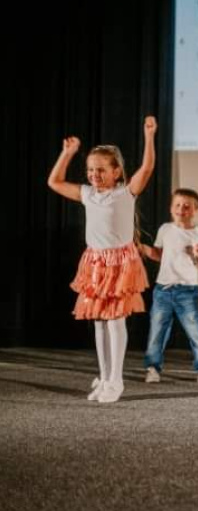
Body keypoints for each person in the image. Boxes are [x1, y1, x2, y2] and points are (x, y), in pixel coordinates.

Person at [47, 116, 157, 403]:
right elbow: (54, 182)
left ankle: (116, 380)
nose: (94, 174)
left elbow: (147, 168)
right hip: (95, 262)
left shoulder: (125, 193)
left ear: (116, 171)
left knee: (115, 320)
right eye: (90, 169)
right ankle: (105, 377)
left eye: (101, 169)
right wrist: (67, 153)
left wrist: (149, 137)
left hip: (119, 263)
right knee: (98, 321)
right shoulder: (88, 194)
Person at [140, 188, 198, 383]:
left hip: (187, 290)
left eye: (187, 206)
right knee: (157, 331)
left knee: (196, 331)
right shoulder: (165, 229)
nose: (181, 209)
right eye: (177, 205)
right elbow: (159, 255)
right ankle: (152, 368)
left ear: (195, 210)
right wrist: (142, 248)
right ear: (171, 208)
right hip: (162, 290)